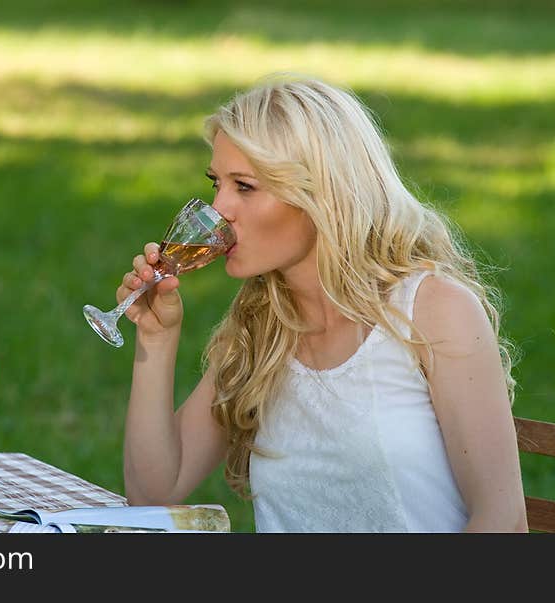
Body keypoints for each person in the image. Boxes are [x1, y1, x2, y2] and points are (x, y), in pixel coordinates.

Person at [117, 73, 528, 532]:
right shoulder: (261, 325)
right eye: (217, 184)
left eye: (245, 187)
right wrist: (156, 337)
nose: (220, 210)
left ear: (320, 194)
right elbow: (154, 491)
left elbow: (503, 520)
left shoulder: (432, 312)